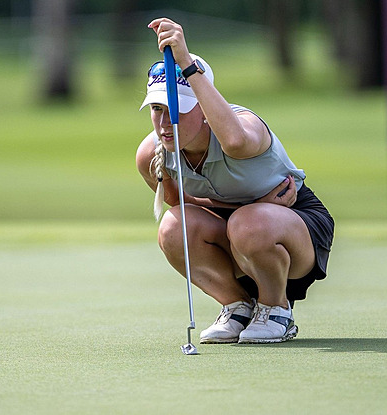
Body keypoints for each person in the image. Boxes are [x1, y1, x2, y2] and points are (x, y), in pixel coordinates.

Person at [136, 18, 334, 344]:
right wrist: (251, 205)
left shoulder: (244, 126)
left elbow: (235, 143)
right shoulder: (153, 155)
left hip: (295, 225)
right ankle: (237, 307)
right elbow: (180, 203)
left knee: (248, 223)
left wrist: (186, 62)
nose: (164, 122)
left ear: (206, 109)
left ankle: (277, 311)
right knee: (174, 227)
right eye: (157, 109)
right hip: (243, 223)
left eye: (178, 109)